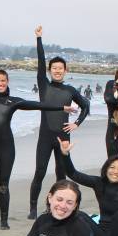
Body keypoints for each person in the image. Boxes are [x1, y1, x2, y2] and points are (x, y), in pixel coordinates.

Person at [0, 31, 73, 231]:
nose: (0, 84)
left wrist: (61, 108)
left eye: (3, 81)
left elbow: (38, 105)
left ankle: (3, 220)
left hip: (6, 147)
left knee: (3, 183)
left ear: (7, 82)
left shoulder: (14, 102)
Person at [29, 26, 89, 219]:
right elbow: (40, 62)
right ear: (50, 70)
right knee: (39, 171)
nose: (57, 71)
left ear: (65, 71)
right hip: (45, 136)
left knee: (61, 175)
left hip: (63, 136)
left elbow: (86, 105)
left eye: (60, 68)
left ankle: (58, 208)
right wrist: (39, 39)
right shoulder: (44, 85)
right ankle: (33, 209)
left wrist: (77, 123)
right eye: (53, 68)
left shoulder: (70, 90)